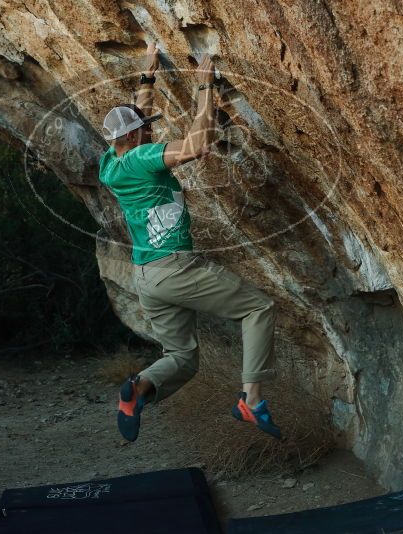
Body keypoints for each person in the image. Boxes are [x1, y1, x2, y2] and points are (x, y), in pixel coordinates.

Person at [98, 43, 281, 442]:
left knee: (182, 358)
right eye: (147, 128)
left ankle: (139, 390)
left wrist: (148, 76)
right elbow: (197, 145)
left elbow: (135, 117)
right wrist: (205, 87)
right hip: (174, 268)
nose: (151, 129)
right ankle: (251, 399)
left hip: (146, 277)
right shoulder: (143, 158)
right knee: (258, 307)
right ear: (135, 136)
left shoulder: (110, 163)